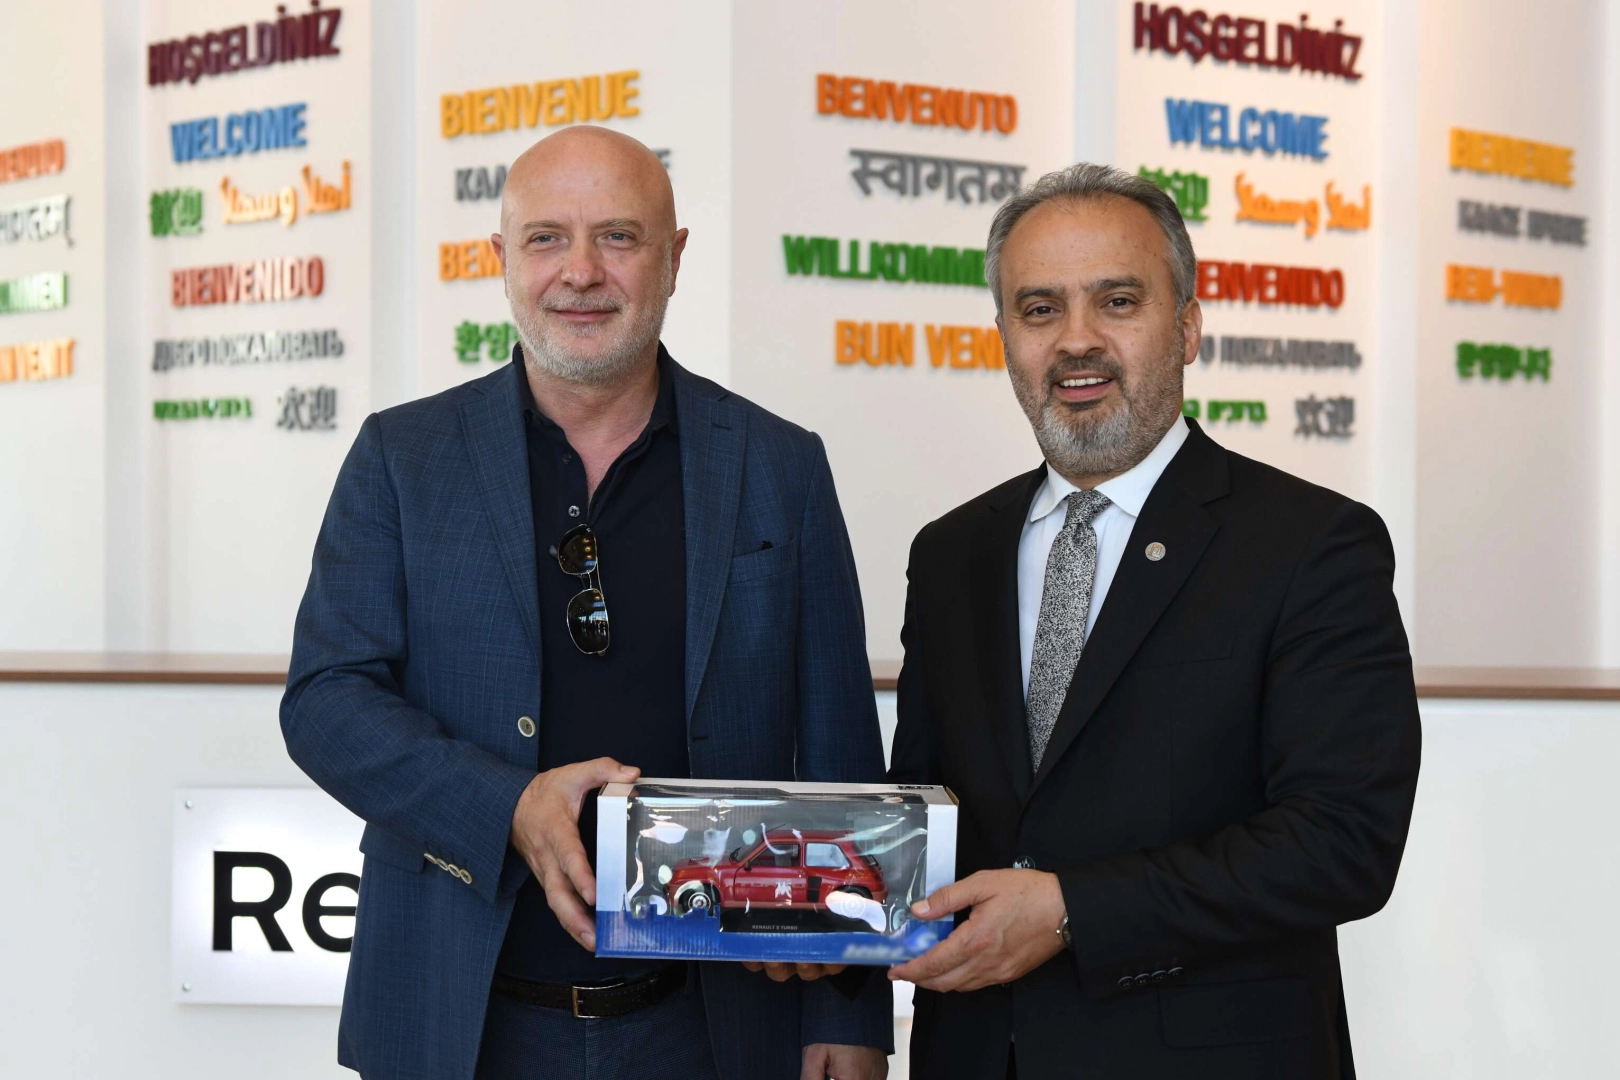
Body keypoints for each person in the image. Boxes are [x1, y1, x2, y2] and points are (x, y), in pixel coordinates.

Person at [281, 126, 891, 1080]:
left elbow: (840, 744)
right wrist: (507, 807)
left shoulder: (780, 466)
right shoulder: (402, 458)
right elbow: (325, 700)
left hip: (715, 1027)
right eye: (546, 239)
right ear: (500, 260)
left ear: (674, 258)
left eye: (618, 236)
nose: (580, 272)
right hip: (461, 1022)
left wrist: (849, 1008)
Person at [885, 163, 1421, 1079]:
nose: (1076, 340)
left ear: (1188, 326)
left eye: (1118, 302)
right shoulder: (951, 553)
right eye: (1040, 309)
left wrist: (1072, 911)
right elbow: (926, 815)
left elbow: (1343, 842)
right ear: (1005, 337)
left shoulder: (1311, 544)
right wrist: (808, 918)